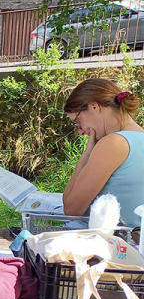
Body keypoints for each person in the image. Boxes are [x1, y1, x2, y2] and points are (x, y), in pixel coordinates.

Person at [62, 78, 144, 228]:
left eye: (78, 121)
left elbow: (71, 208)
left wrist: (86, 154)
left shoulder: (113, 143)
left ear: (94, 107)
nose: (80, 131)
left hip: (114, 247)